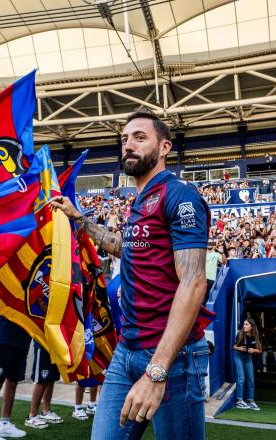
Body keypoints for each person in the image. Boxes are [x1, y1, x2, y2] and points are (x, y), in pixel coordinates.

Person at [51, 110, 211, 439]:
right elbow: (128, 247)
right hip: (128, 350)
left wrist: (157, 370)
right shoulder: (140, 200)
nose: (128, 145)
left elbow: (194, 283)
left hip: (172, 358)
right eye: (124, 139)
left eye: (139, 137)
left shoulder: (180, 195)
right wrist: (78, 219)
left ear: (164, 147)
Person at [25, 341, 63, 429]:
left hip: (55, 343)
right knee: (41, 380)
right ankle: (32, 416)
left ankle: (46, 411)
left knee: (51, 379)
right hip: (42, 343)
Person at [233, 318, 262, 410]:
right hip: (238, 356)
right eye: (244, 324)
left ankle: (250, 401)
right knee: (241, 378)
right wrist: (240, 349)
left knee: (251, 380)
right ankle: (239, 401)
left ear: (251, 326)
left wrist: (253, 350)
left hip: (248, 358)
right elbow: (234, 347)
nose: (244, 326)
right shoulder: (240, 334)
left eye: (246, 324)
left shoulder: (255, 336)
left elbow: (260, 350)